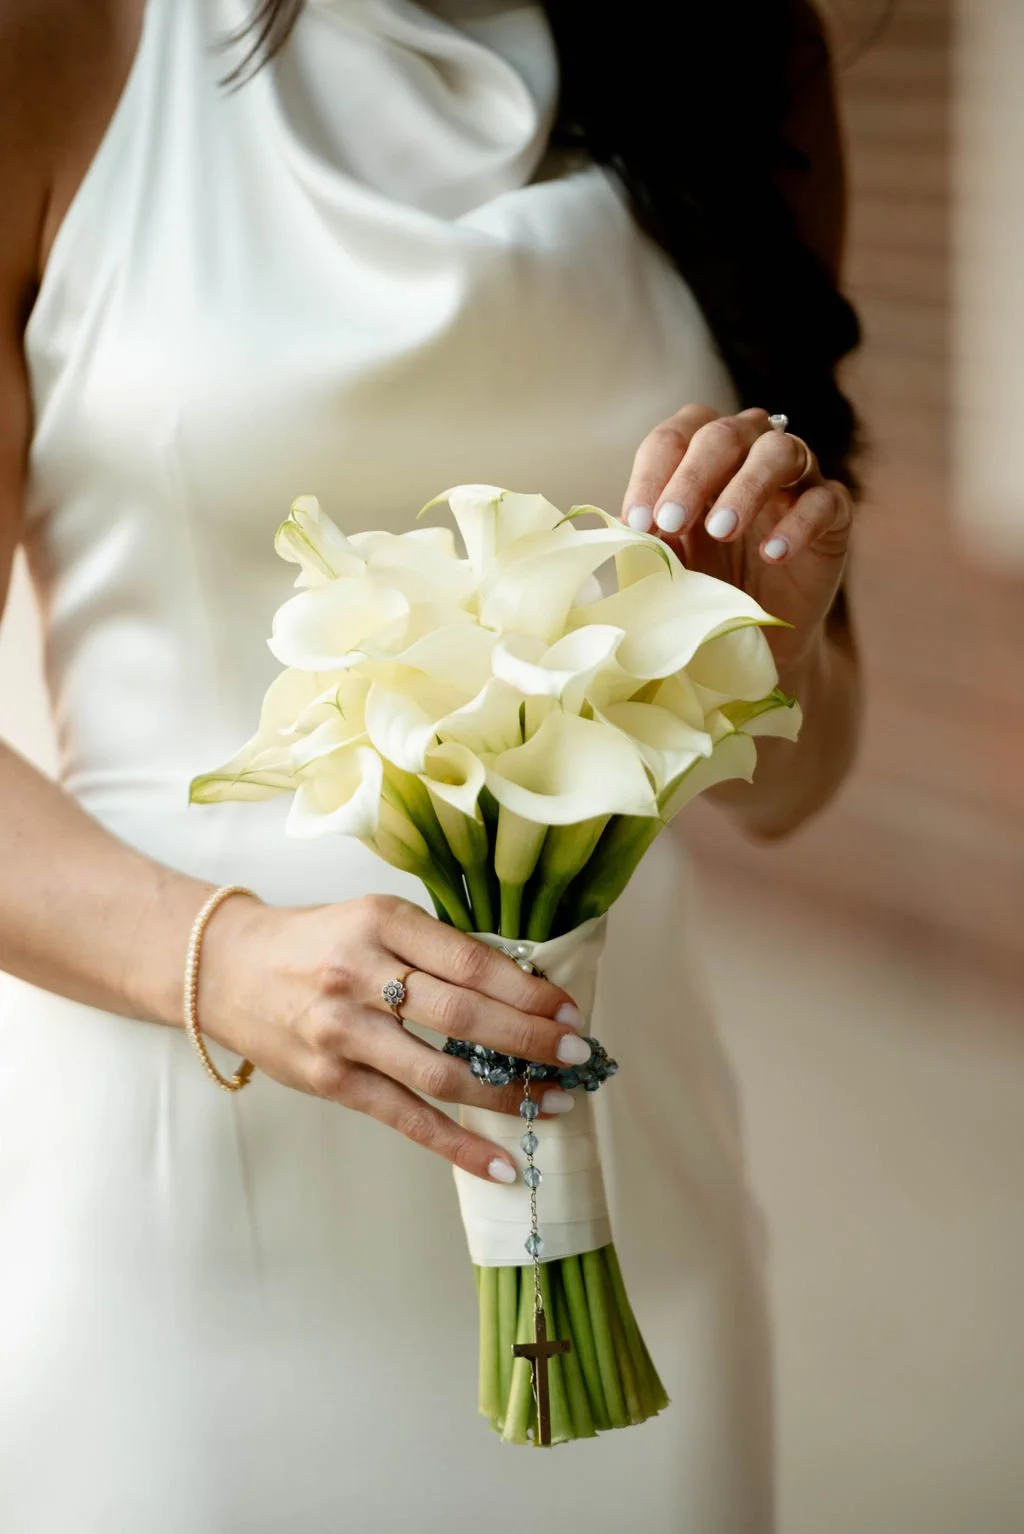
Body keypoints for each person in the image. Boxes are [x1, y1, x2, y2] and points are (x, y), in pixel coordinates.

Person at [0, 0, 861, 1529]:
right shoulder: (66, 43)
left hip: (623, 1190)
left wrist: (768, 654)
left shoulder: (740, 58)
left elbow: (802, 776)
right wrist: (233, 959)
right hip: (183, 1202)